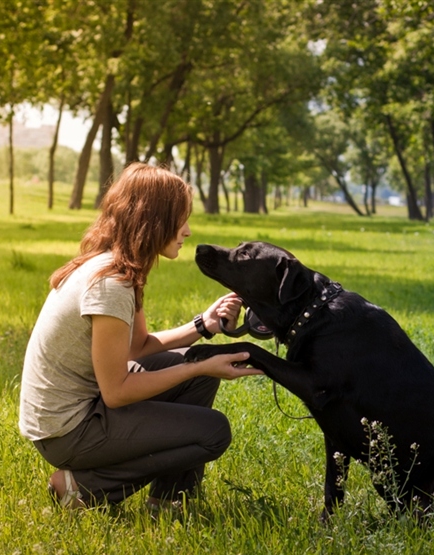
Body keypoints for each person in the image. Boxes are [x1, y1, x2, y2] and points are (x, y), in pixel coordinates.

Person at [19, 162, 262, 511]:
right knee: (214, 431)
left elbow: (138, 347)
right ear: (155, 220)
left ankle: (169, 500)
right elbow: (117, 392)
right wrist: (198, 367)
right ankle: (83, 488)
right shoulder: (111, 284)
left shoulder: (119, 268)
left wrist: (203, 326)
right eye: (181, 219)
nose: (188, 230)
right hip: (67, 431)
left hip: (78, 413)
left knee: (198, 369)